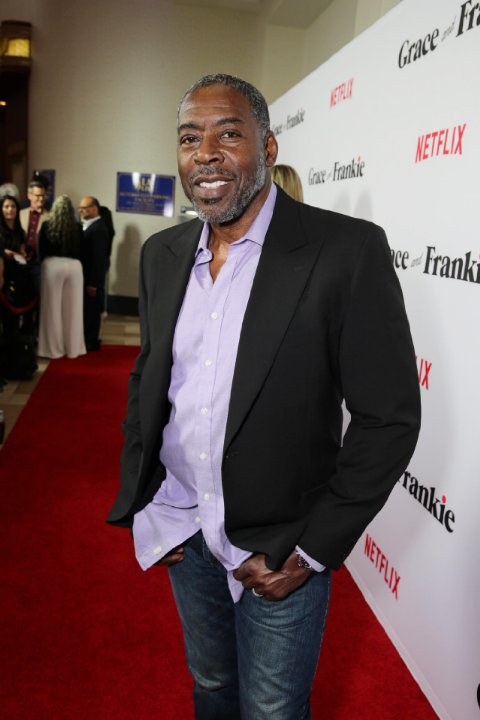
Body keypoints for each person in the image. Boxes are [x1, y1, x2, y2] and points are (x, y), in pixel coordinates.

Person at [107, 73, 421, 719]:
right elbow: (150, 379)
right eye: (189, 138)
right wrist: (146, 498)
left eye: (229, 133)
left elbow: (388, 419)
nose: (206, 153)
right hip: (185, 529)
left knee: (274, 710)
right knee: (211, 688)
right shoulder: (163, 253)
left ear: (268, 147)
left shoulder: (345, 251)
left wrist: (312, 550)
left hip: (280, 548)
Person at [37, 195, 86, 359]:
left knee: (52, 309)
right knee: (74, 310)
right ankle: (73, 349)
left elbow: (42, 250)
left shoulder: (47, 225)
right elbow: (82, 250)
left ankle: (53, 350)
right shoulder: (78, 227)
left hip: (52, 265)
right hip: (75, 266)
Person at [78, 196, 109, 351]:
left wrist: (93, 283)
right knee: (88, 310)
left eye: (84, 208)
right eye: (80, 208)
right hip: (86, 277)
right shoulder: (90, 226)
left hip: (92, 279)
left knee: (92, 311)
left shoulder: (99, 229)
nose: (81, 211)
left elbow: (99, 259)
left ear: (95, 209)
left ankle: (91, 341)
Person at [19, 180, 49, 257]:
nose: (41, 199)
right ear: (29, 195)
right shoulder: (20, 214)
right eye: (38, 195)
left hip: (40, 259)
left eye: (43, 195)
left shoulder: (49, 217)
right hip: (20, 257)